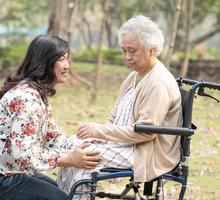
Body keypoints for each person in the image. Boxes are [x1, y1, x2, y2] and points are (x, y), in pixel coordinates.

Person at [0, 35, 102, 200]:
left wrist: (81, 145)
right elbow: (23, 155)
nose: (67, 66)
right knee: (57, 198)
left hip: (2, 170)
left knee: (56, 191)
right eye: (61, 59)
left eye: (67, 59)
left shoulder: (38, 94)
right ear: (45, 62)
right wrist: (69, 159)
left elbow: (52, 138)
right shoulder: (27, 98)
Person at [57, 15, 182, 199]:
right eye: (124, 50)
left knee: (84, 162)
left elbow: (146, 132)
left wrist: (100, 132)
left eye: (132, 51)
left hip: (146, 152)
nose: (127, 57)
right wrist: (99, 136)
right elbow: (114, 116)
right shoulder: (133, 77)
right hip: (126, 144)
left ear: (152, 50)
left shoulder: (158, 83)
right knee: (71, 150)